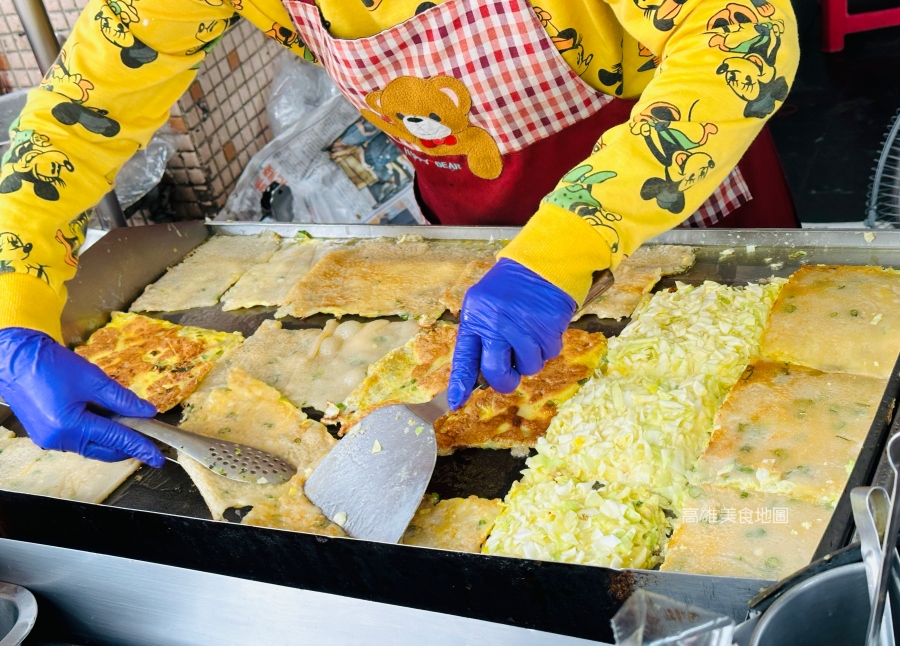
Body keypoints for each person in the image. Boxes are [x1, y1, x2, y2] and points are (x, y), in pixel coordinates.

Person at [0, 0, 798, 466]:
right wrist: (12, 321)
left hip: (675, 190)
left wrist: (565, 247)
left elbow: (742, 32)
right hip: (471, 227)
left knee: (741, 433)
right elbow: (76, 126)